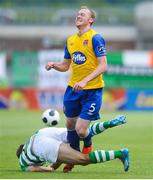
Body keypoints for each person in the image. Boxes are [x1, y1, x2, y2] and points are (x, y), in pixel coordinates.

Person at [45, 6, 107, 172]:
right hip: (73, 90)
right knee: (70, 124)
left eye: (83, 14)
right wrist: (54, 65)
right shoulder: (71, 40)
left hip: (92, 90)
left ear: (90, 20)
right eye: (78, 13)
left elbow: (103, 65)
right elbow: (66, 66)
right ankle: (72, 157)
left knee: (80, 130)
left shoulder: (96, 38)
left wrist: (86, 81)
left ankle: (88, 142)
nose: (78, 15)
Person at [16, 115, 129, 172]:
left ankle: (120, 154)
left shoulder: (23, 162)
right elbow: (59, 158)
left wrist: (50, 169)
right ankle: (109, 123)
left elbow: (37, 169)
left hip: (41, 145)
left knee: (83, 159)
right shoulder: (29, 142)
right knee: (82, 132)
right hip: (43, 133)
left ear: (20, 155)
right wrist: (65, 162)